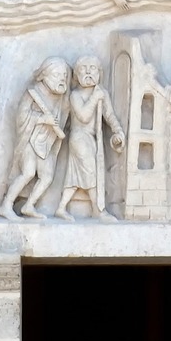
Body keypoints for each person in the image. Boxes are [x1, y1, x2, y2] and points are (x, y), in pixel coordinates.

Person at [0, 57, 71, 220]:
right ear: (44, 75)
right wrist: (42, 119)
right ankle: (6, 205)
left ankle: (29, 205)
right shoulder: (34, 92)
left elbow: (63, 115)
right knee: (28, 172)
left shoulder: (60, 97)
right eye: (57, 74)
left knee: (47, 177)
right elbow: (21, 116)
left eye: (64, 75)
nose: (61, 79)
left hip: (46, 142)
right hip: (30, 139)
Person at [56, 57, 124, 220]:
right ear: (76, 75)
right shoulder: (75, 95)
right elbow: (84, 116)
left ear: (99, 73)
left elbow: (109, 115)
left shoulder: (102, 93)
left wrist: (117, 130)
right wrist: (95, 97)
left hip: (92, 139)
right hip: (79, 138)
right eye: (83, 69)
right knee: (91, 171)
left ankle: (60, 208)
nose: (88, 72)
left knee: (74, 176)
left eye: (92, 68)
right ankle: (98, 210)